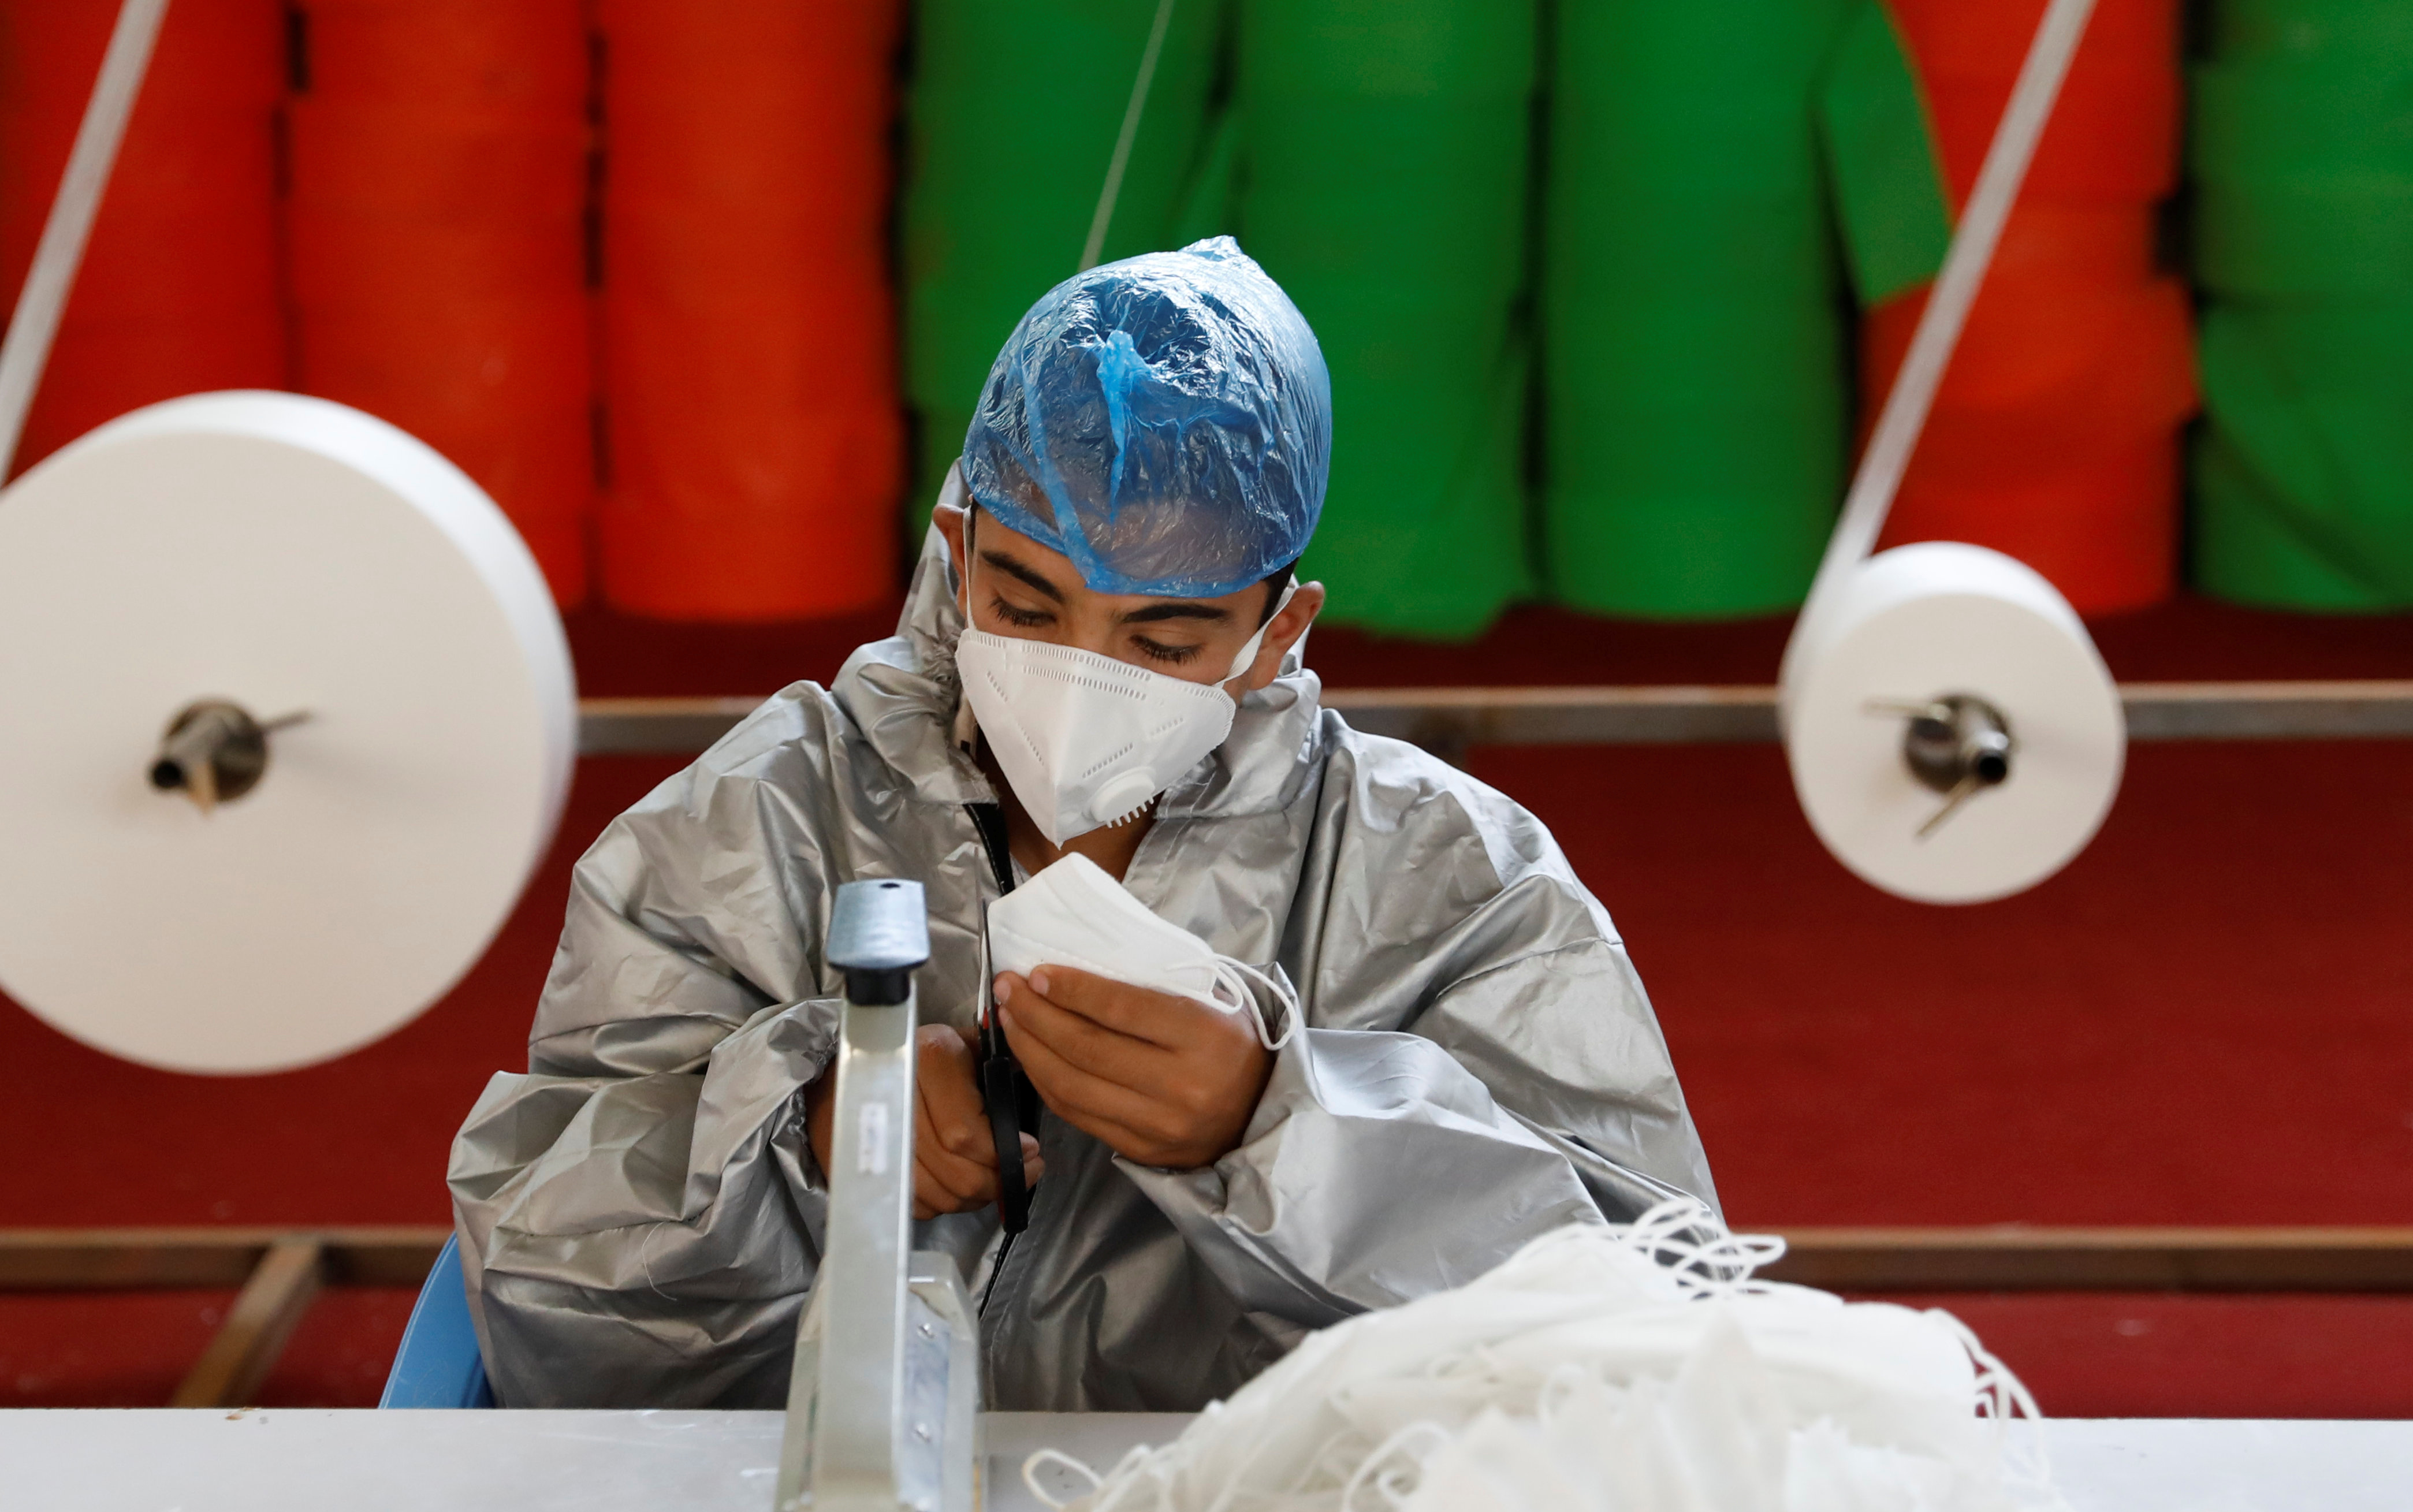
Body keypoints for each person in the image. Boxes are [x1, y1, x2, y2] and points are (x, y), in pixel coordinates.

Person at [448, 237, 1715, 1410]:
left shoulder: (1448, 880)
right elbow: (542, 1289)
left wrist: (1283, 1126)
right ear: (957, 551)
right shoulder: (759, 823)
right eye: (1030, 606)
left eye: (1163, 641)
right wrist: (805, 1142)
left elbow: (1652, 1323)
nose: (1080, 681)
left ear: (1279, 631)